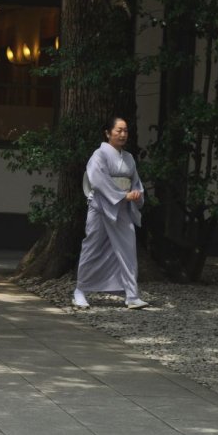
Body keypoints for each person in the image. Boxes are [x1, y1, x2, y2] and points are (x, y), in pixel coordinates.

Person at [73, 117, 148, 310]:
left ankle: (132, 295)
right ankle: (80, 290)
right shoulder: (99, 155)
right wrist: (122, 195)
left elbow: (136, 182)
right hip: (101, 205)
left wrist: (136, 194)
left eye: (125, 131)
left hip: (123, 208)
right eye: (118, 130)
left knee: (128, 249)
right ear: (108, 133)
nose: (123, 134)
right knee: (93, 247)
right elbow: (98, 180)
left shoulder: (129, 157)